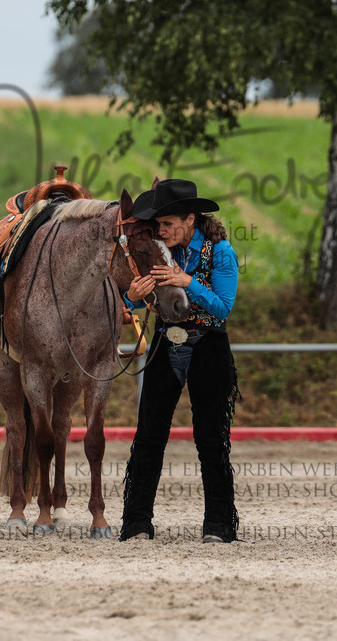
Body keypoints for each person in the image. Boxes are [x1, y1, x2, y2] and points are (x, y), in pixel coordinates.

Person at [119, 178, 241, 543]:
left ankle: (218, 525)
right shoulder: (160, 249)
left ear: (191, 219)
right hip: (165, 342)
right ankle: (136, 523)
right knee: (148, 436)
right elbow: (139, 297)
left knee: (211, 438)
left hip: (209, 345)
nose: (161, 230)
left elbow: (223, 308)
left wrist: (189, 282)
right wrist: (132, 298)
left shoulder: (221, 252)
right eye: (158, 224)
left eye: (168, 223)